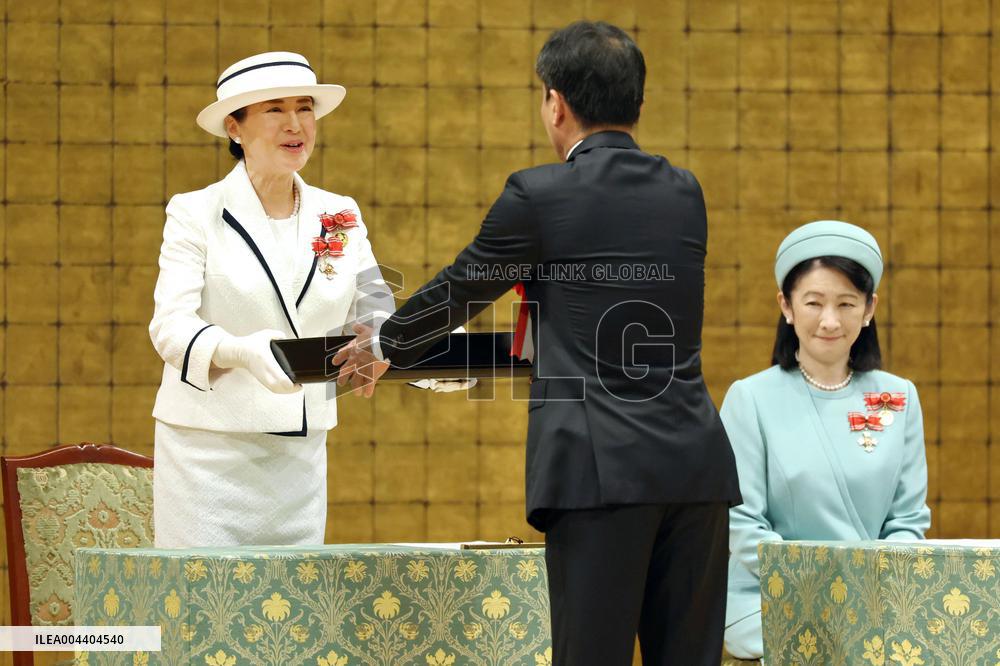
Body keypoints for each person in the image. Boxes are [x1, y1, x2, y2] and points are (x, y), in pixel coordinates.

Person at [334, 21, 742, 666]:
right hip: (696, 468)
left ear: (555, 102)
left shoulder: (539, 195)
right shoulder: (684, 193)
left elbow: (460, 290)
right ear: (637, 100)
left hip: (598, 473)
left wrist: (387, 341)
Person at [147, 52, 399, 547]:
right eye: (274, 110)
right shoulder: (195, 212)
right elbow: (169, 327)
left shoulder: (338, 213)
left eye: (304, 108)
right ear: (234, 129)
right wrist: (240, 350)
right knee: (206, 613)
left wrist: (381, 334)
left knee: (292, 617)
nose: (295, 124)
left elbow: (373, 299)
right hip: (209, 455)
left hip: (301, 456)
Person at [721, 221, 931, 660]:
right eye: (813, 302)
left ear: (869, 308)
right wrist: (820, 590)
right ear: (787, 305)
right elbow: (741, 525)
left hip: (876, 603)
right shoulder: (750, 398)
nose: (830, 321)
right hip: (770, 604)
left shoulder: (898, 398)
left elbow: (907, 523)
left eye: (847, 303)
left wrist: (862, 595)